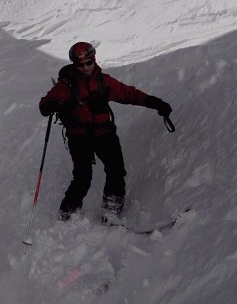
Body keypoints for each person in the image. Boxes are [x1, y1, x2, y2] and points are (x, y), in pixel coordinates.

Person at [38, 41, 172, 223]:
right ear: (75, 65)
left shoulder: (104, 81)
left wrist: (155, 103)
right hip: (78, 136)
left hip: (104, 132)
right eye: (81, 65)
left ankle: (111, 207)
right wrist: (50, 105)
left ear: (94, 60)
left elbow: (128, 93)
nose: (86, 68)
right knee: (83, 177)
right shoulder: (67, 85)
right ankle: (68, 210)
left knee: (116, 170)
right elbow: (45, 103)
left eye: (89, 63)